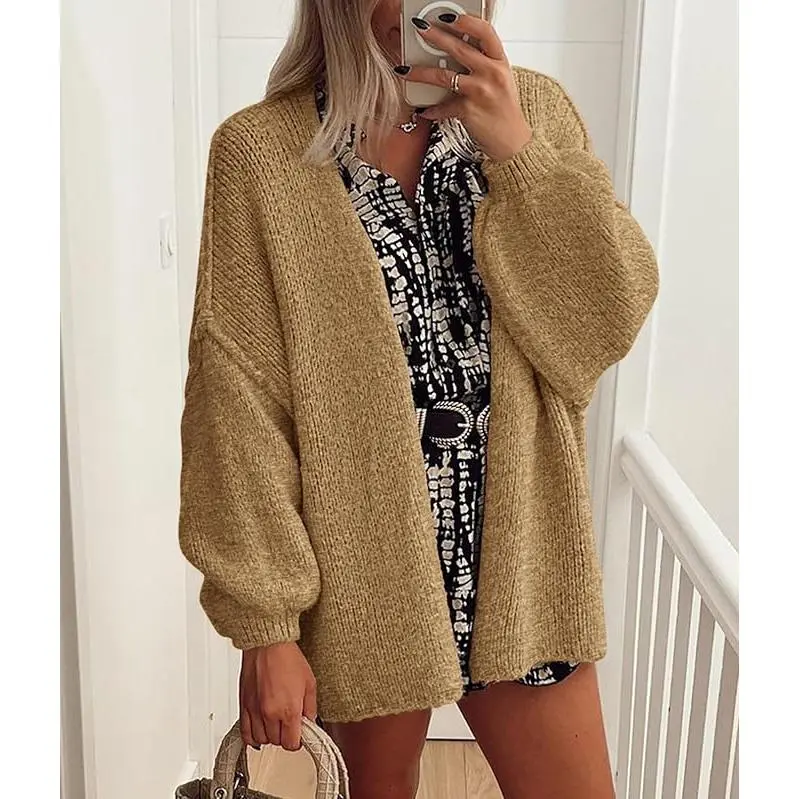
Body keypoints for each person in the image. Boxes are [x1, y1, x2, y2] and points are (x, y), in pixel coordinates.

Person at [178, 1, 659, 796]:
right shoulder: (261, 152)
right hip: (361, 566)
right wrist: (265, 624)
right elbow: (238, 403)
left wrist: (516, 153)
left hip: (519, 552)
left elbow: (605, 318)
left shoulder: (533, 111)